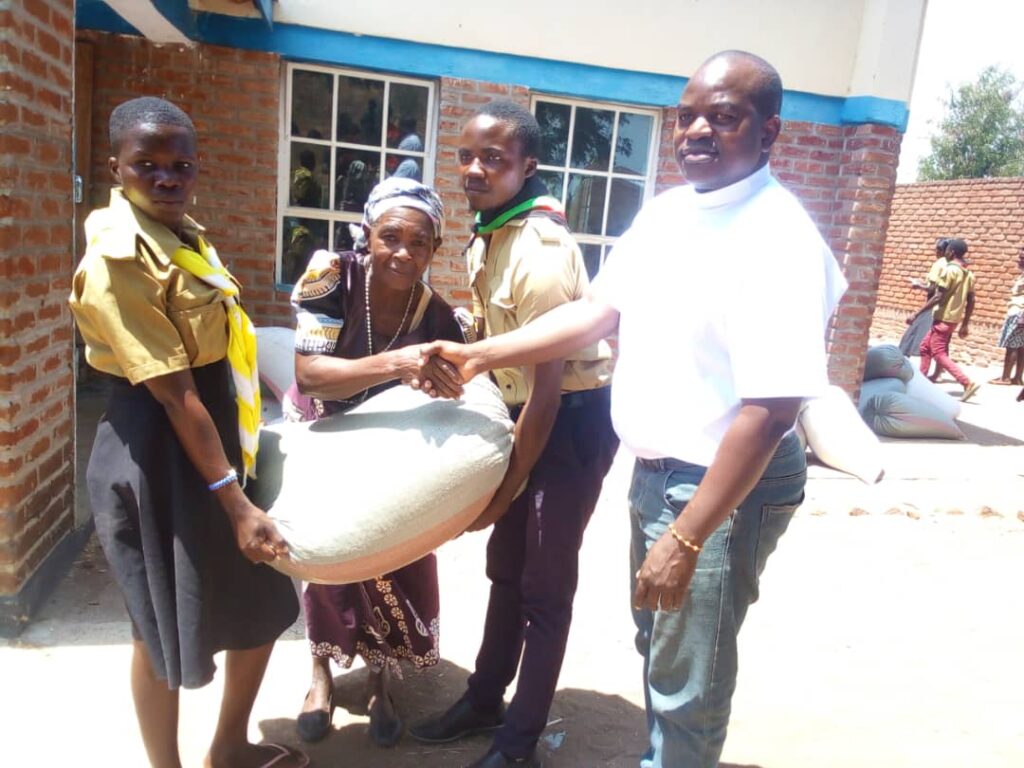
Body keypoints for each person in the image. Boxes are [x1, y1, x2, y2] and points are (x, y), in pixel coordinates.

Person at [421, 52, 848, 768]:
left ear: (769, 131)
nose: (696, 131)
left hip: (723, 483)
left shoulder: (779, 238)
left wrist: (685, 538)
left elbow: (772, 410)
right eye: (688, 116)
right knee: (661, 643)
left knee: (689, 675)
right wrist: (480, 357)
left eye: (724, 116)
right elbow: (595, 314)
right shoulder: (672, 212)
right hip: (656, 470)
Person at [68, 97, 307, 768]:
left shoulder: (181, 235)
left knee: (260, 601)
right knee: (159, 625)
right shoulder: (119, 254)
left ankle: (229, 747)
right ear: (116, 166)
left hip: (214, 438)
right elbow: (172, 393)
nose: (167, 178)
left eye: (181, 165)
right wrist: (236, 503)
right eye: (147, 165)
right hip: (157, 447)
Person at [409, 101, 618, 768]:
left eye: (492, 159)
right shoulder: (491, 232)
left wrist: (507, 488)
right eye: (467, 155)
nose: (474, 168)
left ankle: (519, 743)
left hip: (570, 424)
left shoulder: (539, 251)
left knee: (544, 586)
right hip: (522, 414)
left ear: (527, 166)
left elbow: (551, 390)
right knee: (507, 568)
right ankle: (485, 698)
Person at [288, 177, 469, 747]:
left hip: (389, 443)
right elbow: (309, 374)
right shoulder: (332, 277)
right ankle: (319, 675)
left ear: (435, 250)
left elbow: (448, 390)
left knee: (394, 550)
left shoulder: (436, 314)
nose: (403, 253)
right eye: (389, 237)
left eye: (419, 243)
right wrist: (398, 364)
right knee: (328, 558)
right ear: (367, 234)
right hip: (323, 429)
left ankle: (380, 678)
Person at [906, 238, 980, 401]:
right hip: (952, 319)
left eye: (947, 250)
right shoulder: (969, 274)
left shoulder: (949, 270)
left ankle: (967, 383)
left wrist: (916, 314)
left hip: (943, 317)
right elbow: (971, 300)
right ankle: (920, 382)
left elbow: (938, 296)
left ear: (951, 252)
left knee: (938, 353)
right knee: (925, 347)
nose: (944, 252)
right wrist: (965, 323)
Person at [900, 237, 951, 363]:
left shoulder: (940, 263)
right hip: (946, 307)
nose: (936, 252)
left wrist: (918, 285)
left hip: (932, 305)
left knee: (911, 337)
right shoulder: (953, 265)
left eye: (937, 249)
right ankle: (940, 368)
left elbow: (932, 289)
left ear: (941, 250)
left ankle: (900, 363)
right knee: (941, 340)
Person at [989, 247, 1024, 385]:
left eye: (1022, 258)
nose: (1019, 260)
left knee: (1012, 346)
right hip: (1019, 312)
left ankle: (1006, 377)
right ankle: (1017, 378)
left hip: (1019, 313)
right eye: (1020, 257)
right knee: (1021, 347)